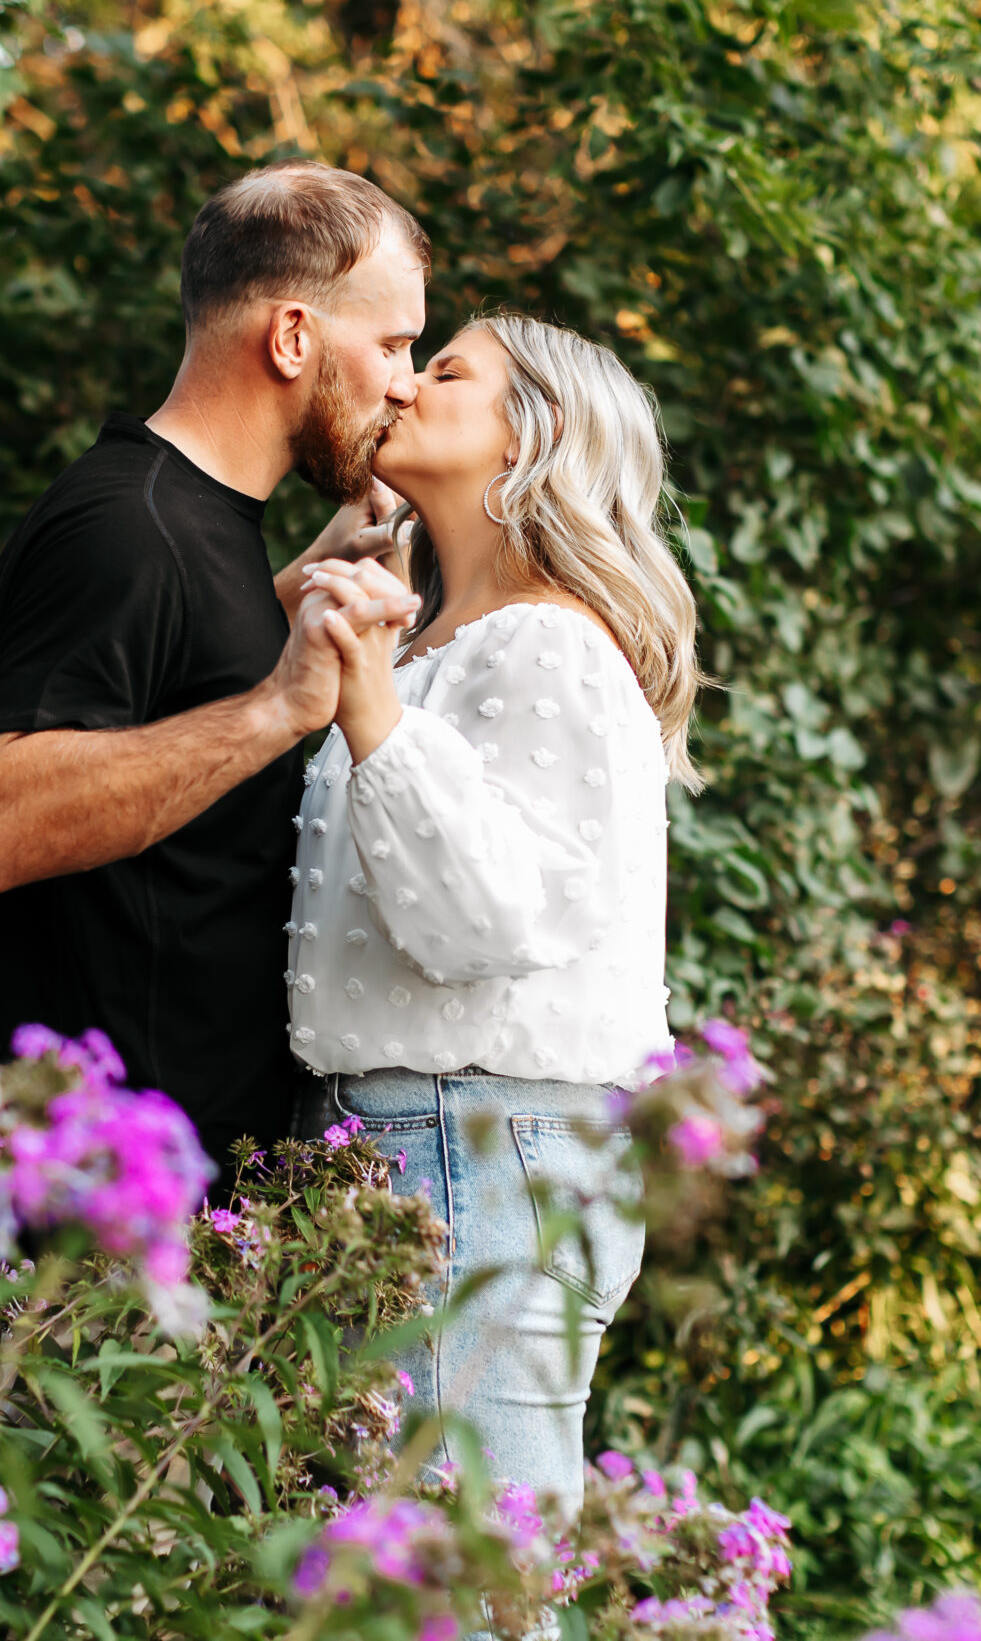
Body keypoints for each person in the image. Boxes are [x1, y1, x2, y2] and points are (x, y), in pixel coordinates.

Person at [287, 314, 701, 1515]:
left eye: (449, 371)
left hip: (475, 1145)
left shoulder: (548, 647)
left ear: (535, 437)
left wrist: (367, 706)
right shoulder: (433, 648)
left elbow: (484, 919)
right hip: (406, 1142)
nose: (406, 385)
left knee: (475, 1585)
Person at [0, 161, 428, 1180]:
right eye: (392, 344)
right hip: (100, 1239)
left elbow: (174, 677)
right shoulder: (121, 528)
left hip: (200, 1207)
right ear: (293, 336)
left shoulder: (201, 525)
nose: (407, 383)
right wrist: (275, 710)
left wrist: (311, 575)